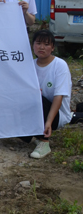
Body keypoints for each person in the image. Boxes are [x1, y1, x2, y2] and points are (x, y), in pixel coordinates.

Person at [23, 30, 72, 159]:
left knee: (36, 98)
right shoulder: (30, 65)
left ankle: (44, 142)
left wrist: (49, 122)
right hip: (35, 109)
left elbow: (59, 97)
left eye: (46, 44)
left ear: (53, 47)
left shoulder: (60, 65)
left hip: (56, 114)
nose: (42, 47)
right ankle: (34, 136)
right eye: (38, 43)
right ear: (33, 45)